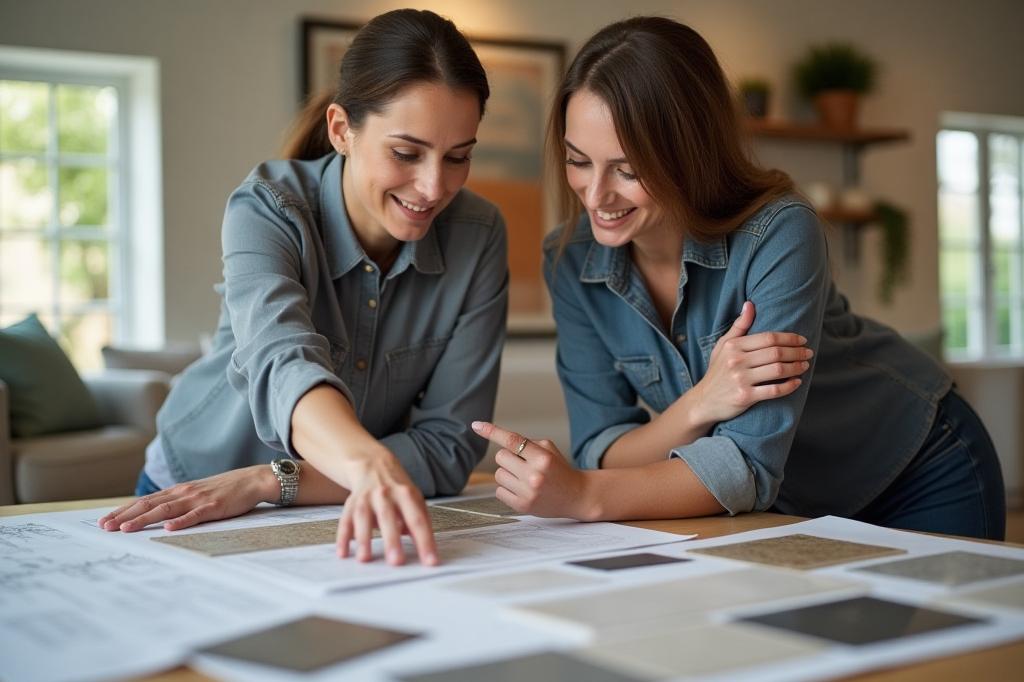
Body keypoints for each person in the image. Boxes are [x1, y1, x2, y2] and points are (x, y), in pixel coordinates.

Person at [473, 16, 1005, 540]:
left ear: (690, 155)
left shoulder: (778, 232)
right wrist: (699, 404)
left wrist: (586, 495)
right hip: (793, 507)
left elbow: (746, 465)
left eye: (629, 170)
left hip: (918, 468)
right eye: (578, 161)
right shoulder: (571, 261)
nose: (595, 195)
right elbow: (601, 446)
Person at [99, 9, 509, 565]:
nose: (435, 186)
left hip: (331, 500)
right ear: (342, 129)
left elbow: (448, 447)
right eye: (406, 153)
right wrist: (370, 464)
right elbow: (281, 360)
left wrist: (275, 480)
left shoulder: (479, 235)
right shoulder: (267, 206)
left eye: (458, 156)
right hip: (194, 491)